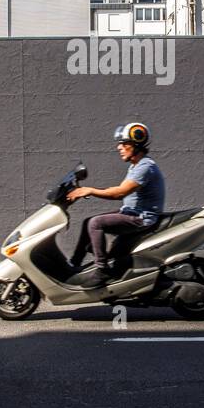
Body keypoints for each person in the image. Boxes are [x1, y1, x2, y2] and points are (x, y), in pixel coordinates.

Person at [66, 122, 165, 287]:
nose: (119, 147)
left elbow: (120, 193)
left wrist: (90, 190)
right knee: (88, 222)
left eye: (124, 144)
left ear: (136, 145)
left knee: (95, 223)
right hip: (130, 212)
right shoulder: (136, 166)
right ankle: (74, 265)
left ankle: (102, 270)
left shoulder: (145, 167)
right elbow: (119, 190)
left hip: (141, 218)